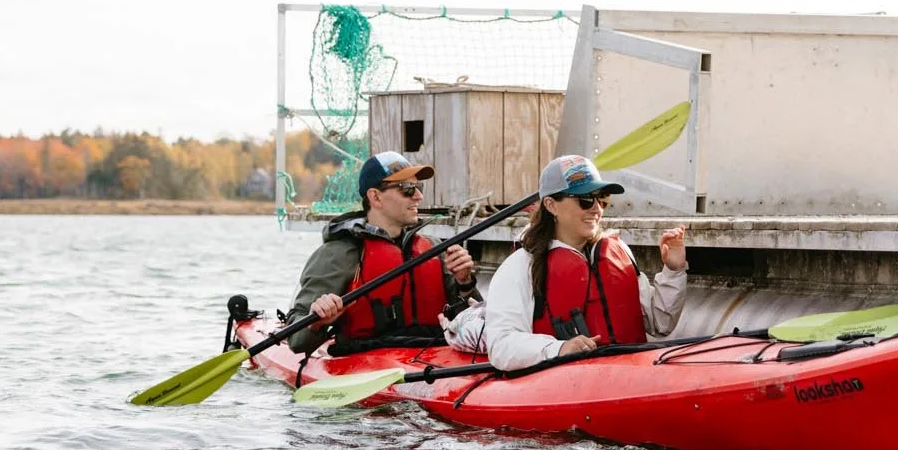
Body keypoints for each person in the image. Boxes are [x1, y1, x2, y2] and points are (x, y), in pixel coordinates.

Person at [484, 155, 688, 371]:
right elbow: (501, 346)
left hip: (628, 379)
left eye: (601, 199)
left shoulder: (618, 253)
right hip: (564, 389)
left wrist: (673, 271)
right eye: (585, 200)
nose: (597, 209)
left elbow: (661, 324)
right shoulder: (520, 266)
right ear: (551, 205)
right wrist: (559, 348)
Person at [282, 150, 477, 353]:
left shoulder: (434, 247)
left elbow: (475, 320)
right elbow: (296, 341)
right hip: (367, 361)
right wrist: (317, 322)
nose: (418, 196)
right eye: (407, 189)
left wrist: (465, 283)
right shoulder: (339, 253)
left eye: (419, 187)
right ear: (375, 197)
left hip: (437, 355)